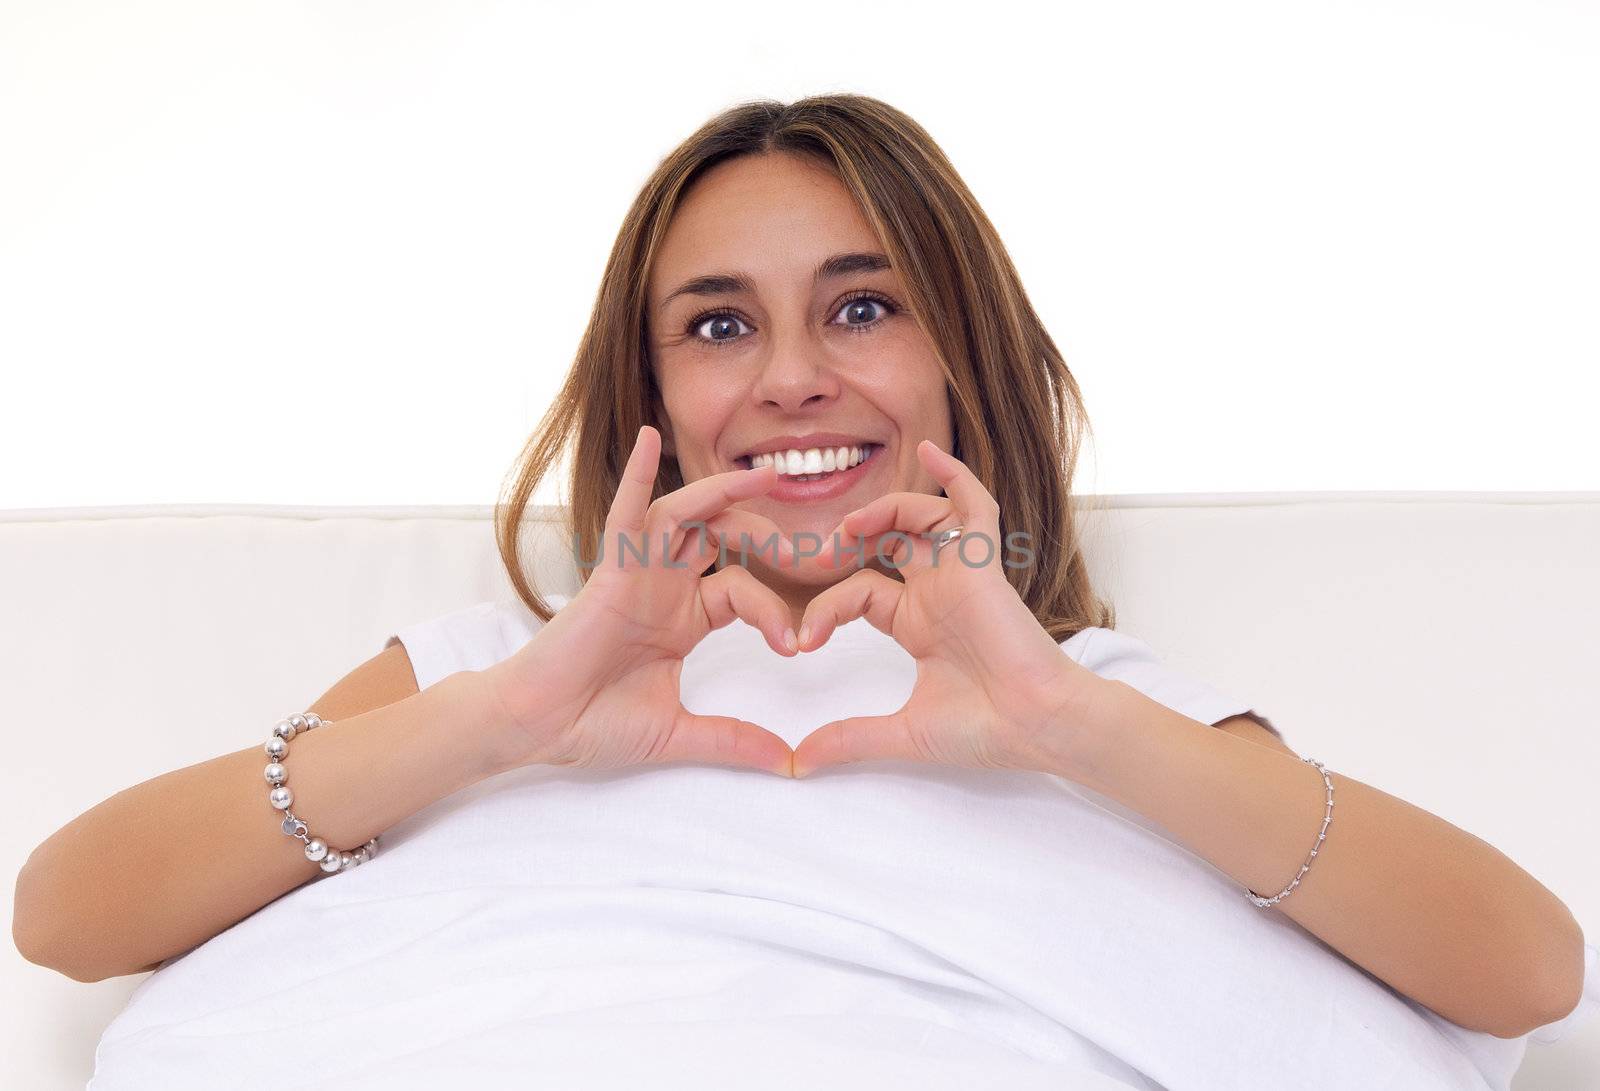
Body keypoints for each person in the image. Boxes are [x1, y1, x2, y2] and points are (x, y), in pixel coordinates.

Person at [13, 94, 1590, 1090]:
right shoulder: (491, 669)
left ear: (957, 355)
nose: (789, 380)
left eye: (862, 306)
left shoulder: (1094, 701)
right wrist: (510, 719)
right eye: (715, 327)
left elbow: (1528, 971)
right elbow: (67, 917)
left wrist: (1057, 718)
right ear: (648, 390)